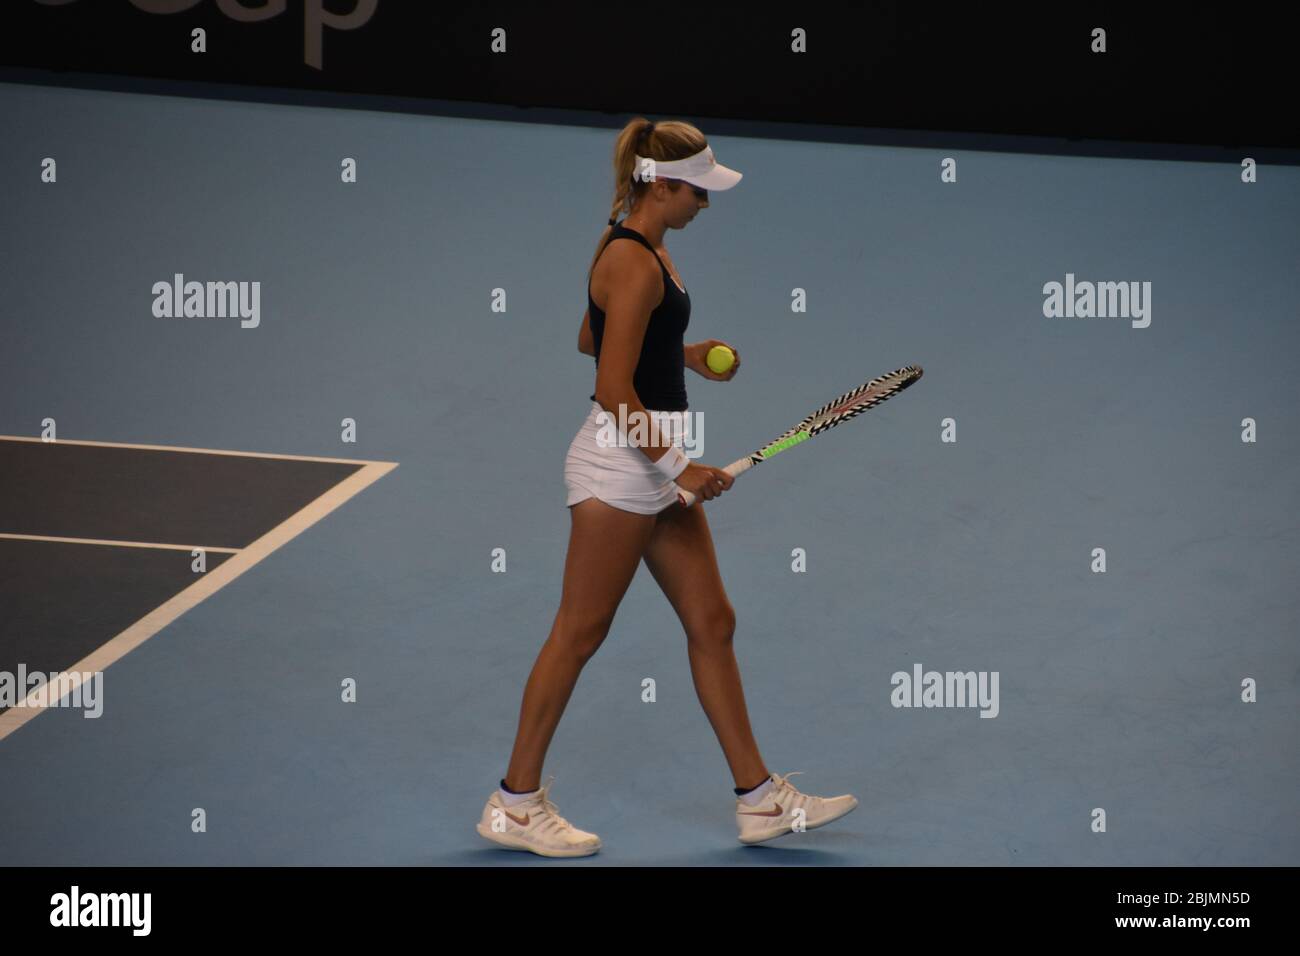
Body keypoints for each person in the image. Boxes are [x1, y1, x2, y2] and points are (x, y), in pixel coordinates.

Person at [476, 117, 857, 857]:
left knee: (713, 621)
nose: (706, 204)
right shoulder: (635, 260)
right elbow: (612, 383)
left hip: (650, 466)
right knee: (580, 633)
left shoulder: (647, 246)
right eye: (699, 192)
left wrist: (685, 355)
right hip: (621, 468)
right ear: (663, 185)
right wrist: (680, 468)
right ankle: (515, 802)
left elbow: (595, 334)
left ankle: (759, 799)